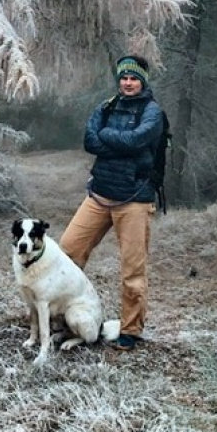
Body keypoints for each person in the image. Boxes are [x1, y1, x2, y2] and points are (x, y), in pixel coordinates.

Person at [58, 55, 164, 351]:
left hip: (134, 200)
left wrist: (109, 140)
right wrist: (120, 142)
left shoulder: (153, 112)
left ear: (142, 80)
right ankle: (64, 317)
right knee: (68, 251)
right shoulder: (106, 107)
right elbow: (90, 141)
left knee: (132, 270)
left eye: (133, 78)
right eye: (124, 77)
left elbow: (137, 141)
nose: (128, 83)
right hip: (100, 195)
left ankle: (131, 330)